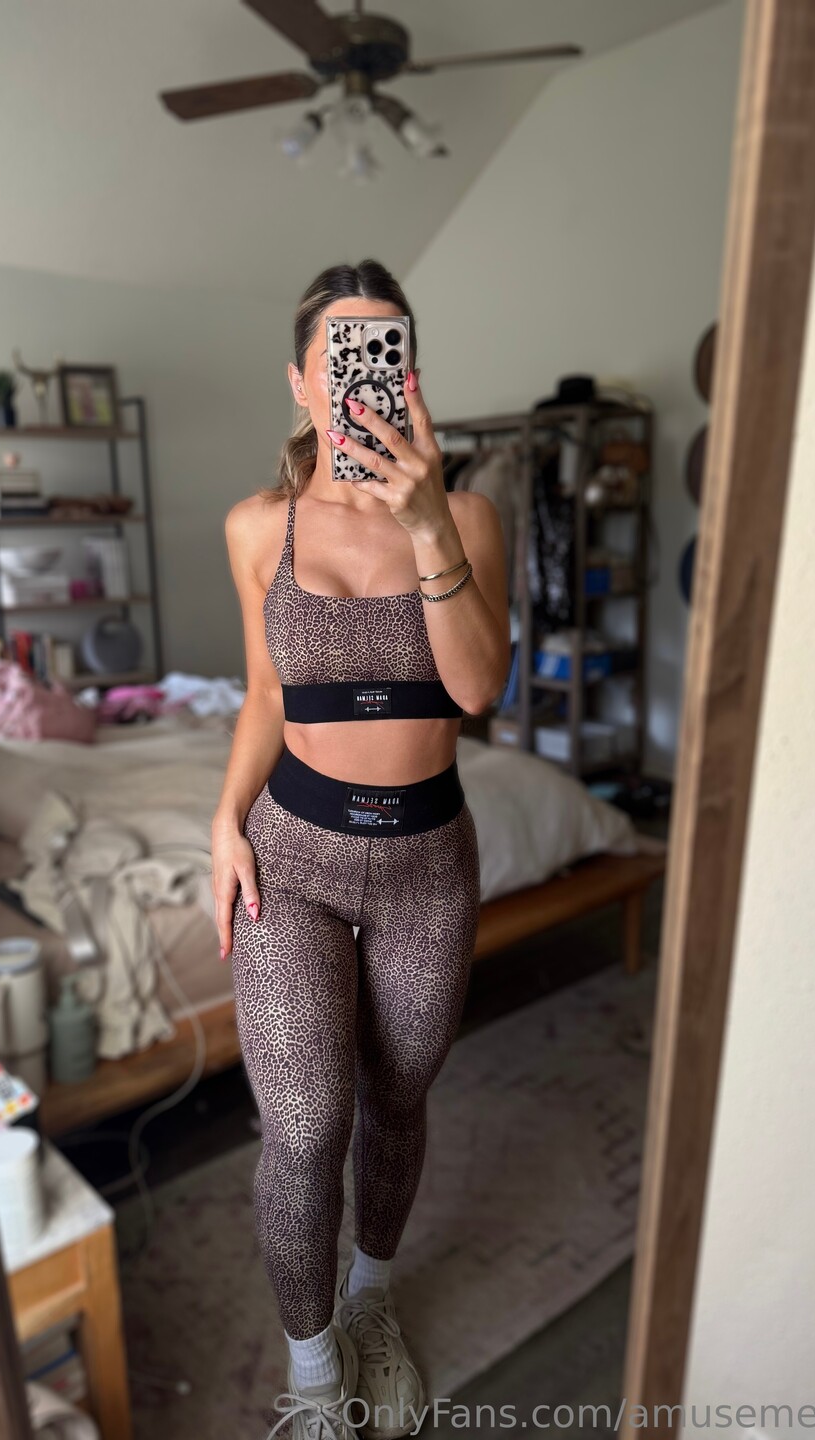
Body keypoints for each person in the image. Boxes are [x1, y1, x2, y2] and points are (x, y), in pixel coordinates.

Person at [212, 259, 510, 1440]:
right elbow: (262, 697)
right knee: (303, 1126)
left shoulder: (471, 517)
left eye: (386, 350)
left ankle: (371, 1302)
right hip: (294, 855)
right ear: (302, 380)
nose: (362, 375)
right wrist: (220, 820)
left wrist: (427, 519)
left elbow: (478, 690)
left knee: (399, 1098)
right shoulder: (257, 527)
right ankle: (310, 1372)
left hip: (429, 866)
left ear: (410, 373)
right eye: (340, 354)